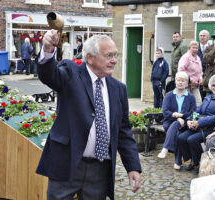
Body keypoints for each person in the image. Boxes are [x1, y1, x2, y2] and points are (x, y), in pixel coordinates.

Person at [36, 31, 141, 200]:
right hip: (67, 164)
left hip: (99, 170)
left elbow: (123, 132)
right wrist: (48, 50)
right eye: (108, 56)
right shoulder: (71, 73)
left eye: (115, 55)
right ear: (90, 57)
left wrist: (133, 167)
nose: (114, 60)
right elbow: (49, 75)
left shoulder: (118, 88)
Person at [177, 74, 215, 173]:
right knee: (181, 137)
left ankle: (200, 164)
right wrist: (189, 120)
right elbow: (198, 111)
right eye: (213, 85)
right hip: (199, 126)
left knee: (192, 139)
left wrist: (199, 122)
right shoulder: (208, 98)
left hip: (212, 129)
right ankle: (189, 160)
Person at [157, 71, 196, 170]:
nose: (180, 82)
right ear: (175, 82)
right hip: (170, 122)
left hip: (186, 123)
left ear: (187, 84)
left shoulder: (191, 97)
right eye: (178, 80)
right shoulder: (169, 95)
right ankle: (177, 161)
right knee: (177, 131)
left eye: (183, 81)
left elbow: (193, 113)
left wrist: (183, 116)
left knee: (178, 128)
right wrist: (176, 117)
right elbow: (165, 111)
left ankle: (165, 149)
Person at [178, 41, 203, 107]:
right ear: (189, 48)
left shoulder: (198, 58)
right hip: (187, 85)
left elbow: (200, 71)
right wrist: (190, 79)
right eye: (193, 48)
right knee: (186, 103)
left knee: (198, 102)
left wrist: (200, 78)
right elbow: (181, 70)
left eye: (196, 48)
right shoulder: (185, 57)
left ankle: (195, 116)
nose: (195, 49)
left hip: (196, 85)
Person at [198, 30, 212, 100]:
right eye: (200, 36)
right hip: (198, 75)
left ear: (208, 37)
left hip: (209, 73)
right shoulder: (195, 47)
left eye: (204, 36)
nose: (202, 37)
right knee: (200, 95)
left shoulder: (211, 48)